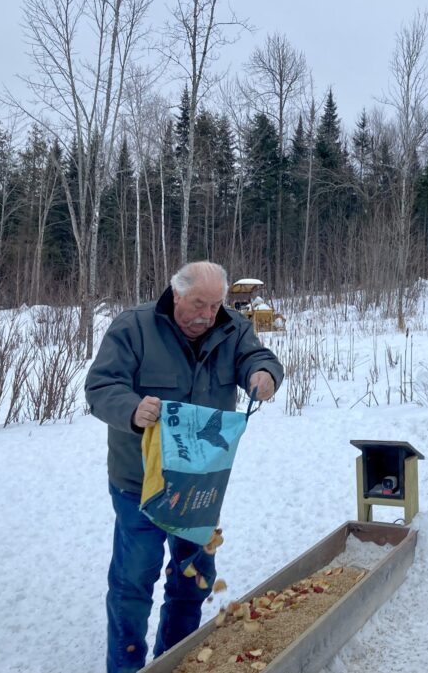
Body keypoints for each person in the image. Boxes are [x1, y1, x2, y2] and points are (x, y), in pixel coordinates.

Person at [85, 261, 284, 673]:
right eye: (198, 304)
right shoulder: (134, 327)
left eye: (214, 306)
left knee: (193, 578)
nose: (206, 315)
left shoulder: (233, 328)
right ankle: (126, 667)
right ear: (176, 294)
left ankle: (176, 660)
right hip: (140, 483)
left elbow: (257, 357)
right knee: (133, 582)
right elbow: (101, 387)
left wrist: (264, 374)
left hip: (199, 485)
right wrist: (132, 409)